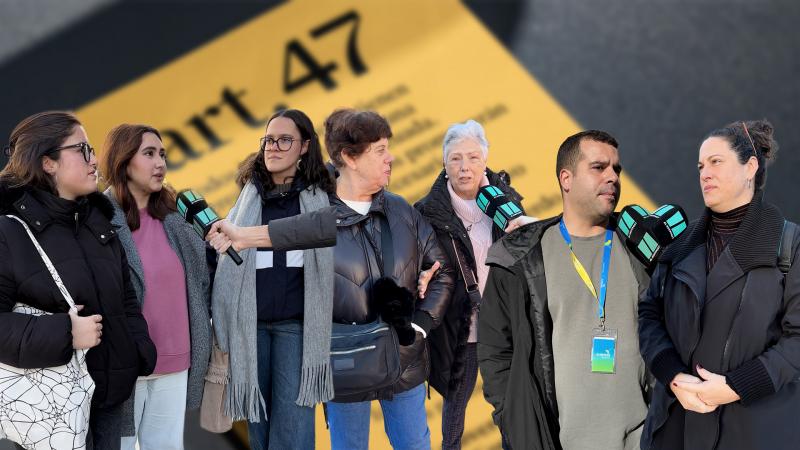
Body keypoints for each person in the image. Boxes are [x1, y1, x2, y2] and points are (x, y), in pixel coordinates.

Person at [478, 130, 651, 450]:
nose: (612, 177)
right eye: (599, 167)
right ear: (566, 178)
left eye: (617, 169)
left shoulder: (641, 251)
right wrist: (511, 417)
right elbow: (494, 351)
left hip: (641, 439)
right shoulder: (519, 258)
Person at [638, 120, 800, 450]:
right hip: (675, 427)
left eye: (716, 162)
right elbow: (648, 314)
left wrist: (737, 386)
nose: (704, 173)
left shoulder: (789, 246)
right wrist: (672, 373)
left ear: (750, 167)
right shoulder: (680, 245)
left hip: (755, 432)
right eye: (700, 165)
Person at [0, 111, 156, 450]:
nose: (94, 159)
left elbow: (126, 297)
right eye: (82, 149)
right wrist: (66, 332)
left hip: (109, 399)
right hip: (52, 408)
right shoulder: (9, 232)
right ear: (48, 163)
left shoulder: (97, 221)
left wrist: (138, 349)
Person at [322, 108, 454, 450]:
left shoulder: (401, 210)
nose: (390, 157)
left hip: (404, 361)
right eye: (379, 150)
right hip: (344, 364)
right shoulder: (312, 220)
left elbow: (442, 272)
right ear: (349, 157)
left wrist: (421, 327)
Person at [206, 109, 338, 450]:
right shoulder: (247, 198)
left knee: (292, 429)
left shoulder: (321, 199)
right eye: (268, 139)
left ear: (305, 146)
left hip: (296, 328)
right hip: (250, 329)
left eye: (284, 140)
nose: (273, 147)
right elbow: (225, 264)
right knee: (260, 430)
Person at [414, 119, 531, 450]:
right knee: (454, 413)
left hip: (503, 326)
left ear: (485, 160)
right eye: (456, 159)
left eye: (473, 158)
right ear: (444, 163)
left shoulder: (506, 204)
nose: (465, 168)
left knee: (512, 407)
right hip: (459, 329)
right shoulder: (425, 213)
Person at [102, 124, 211, 450]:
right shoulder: (98, 219)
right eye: (149, 154)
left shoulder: (176, 218)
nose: (160, 163)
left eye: (162, 154)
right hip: (124, 366)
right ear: (123, 162)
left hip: (175, 363)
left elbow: (201, 283)